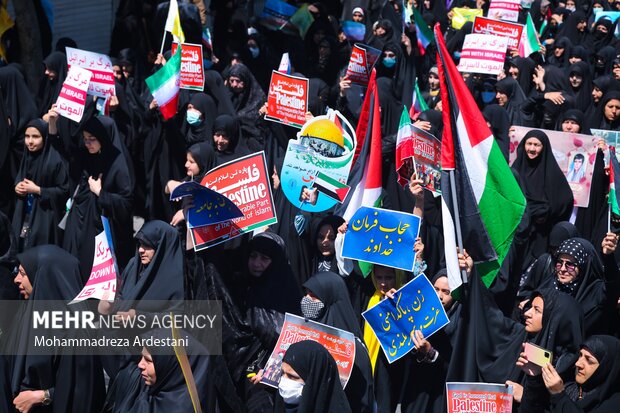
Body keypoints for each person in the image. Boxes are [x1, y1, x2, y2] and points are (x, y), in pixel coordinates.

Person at [1, 245, 105, 413]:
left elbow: (85, 393)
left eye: (23, 274)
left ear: (44, 277)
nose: (16, 280)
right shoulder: (26, 313)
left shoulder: (78, 331)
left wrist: (42, 396)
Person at [60, 116, 134, 280]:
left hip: (101, 230)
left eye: (92, 139)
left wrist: (101, 193)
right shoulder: (89, 156)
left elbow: (126, 203)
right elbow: (66, 149)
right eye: (85, 139)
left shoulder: (118, 164)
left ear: (104, 138)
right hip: (80, 222)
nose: (87, 144)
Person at [302, 271, 375, 413]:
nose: (306, 300)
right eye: (306, 293)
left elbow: (362, 400)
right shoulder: (303, 333)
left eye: (313, 296)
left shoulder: (354, 349)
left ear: (330, 299)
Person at [511, 130, 574, 271]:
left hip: (541, 236)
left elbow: (565, 200)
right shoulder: (515, 171)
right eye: (529, 144)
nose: (532, 149)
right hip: (517, 235)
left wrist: (546, 211)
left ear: (544, 147)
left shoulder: (552, 173)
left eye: (536, 145)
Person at [12, 119, 69, 251]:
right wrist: (17, 187)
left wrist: (38, 190)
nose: (30, 141)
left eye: (36, 136)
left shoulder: (55, 160)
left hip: (45, 218)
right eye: (27, 136)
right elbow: (20, 177)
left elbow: (64, 191)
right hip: (24, 215)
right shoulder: (27, 156)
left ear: (45, 138)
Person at [541, 335, 620, 412]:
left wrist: (559, 395)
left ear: (605, 368)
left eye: (589, 361)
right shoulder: (569, 388)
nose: (578, 363)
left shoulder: (613, 403)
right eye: (580, 355)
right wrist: (533, 378)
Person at [274, 340, 351, 413]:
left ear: (315, 380)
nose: (283, 381)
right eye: (282, 373)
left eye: (292, 377)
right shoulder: (279, 405)